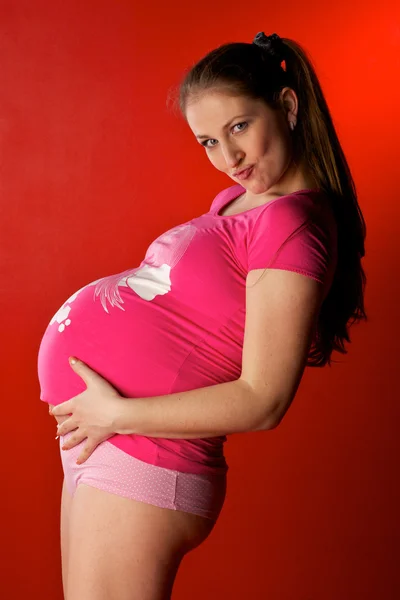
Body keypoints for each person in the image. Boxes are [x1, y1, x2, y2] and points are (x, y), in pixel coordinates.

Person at [38, 31, 367, 600]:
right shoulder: (242, 203)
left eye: (239, 127)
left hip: (146, 451)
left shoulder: (292, 226)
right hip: (113, 439)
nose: (228, 158)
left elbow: (263, 399)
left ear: (287, 107)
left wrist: (117, 413)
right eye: (208, 142)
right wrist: (110, 417)